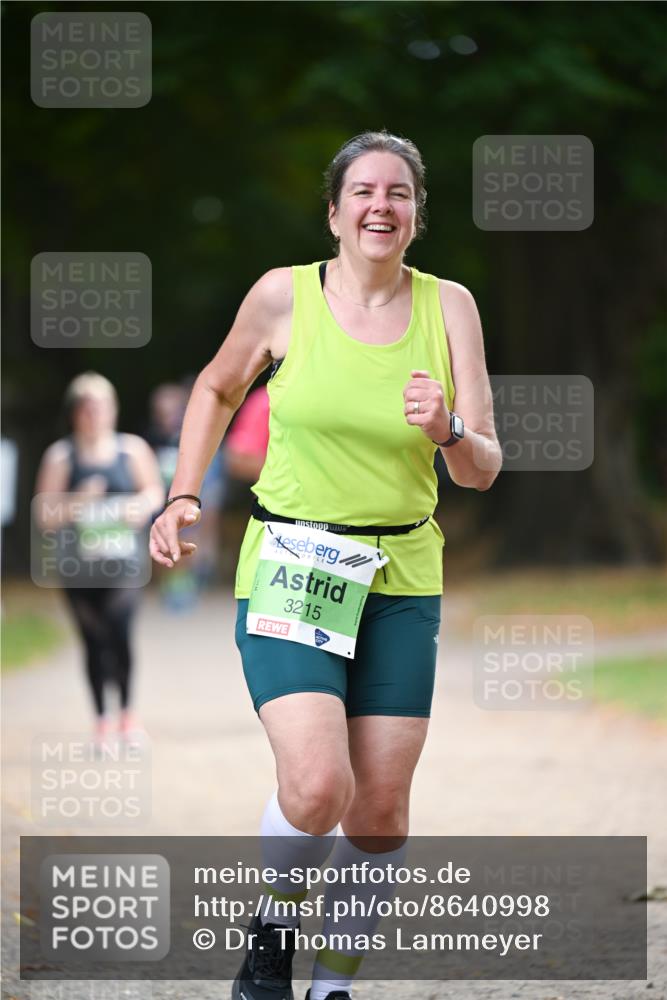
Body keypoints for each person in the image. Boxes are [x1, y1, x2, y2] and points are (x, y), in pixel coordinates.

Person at [150, 131, 502, 1000]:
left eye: (399, 193)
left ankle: (331, 987)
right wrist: (183, 493)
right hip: (294, 562)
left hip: (400, 577)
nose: (381, 205)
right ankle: (271, 936)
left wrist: (448, 428)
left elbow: (481, 467)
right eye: (364, 192)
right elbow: (216, 387)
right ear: (335, 211)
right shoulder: (283, 296)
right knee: (316, 786)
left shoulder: (450, 307)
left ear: (416, 213)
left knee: (378, 811)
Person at [36, 372, 164, 742]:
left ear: (113, 410)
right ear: (74, 413)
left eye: (101, 406)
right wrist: (79, 502)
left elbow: (155, 491)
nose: (94, 415)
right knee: (93, 641)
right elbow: (44, 516)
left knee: (120, 630)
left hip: (124, 564)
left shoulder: (132, 450)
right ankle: (102, 721)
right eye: (86, 408)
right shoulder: (61, 456)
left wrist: (139, 506)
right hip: (78, 567)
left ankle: (127, 715)